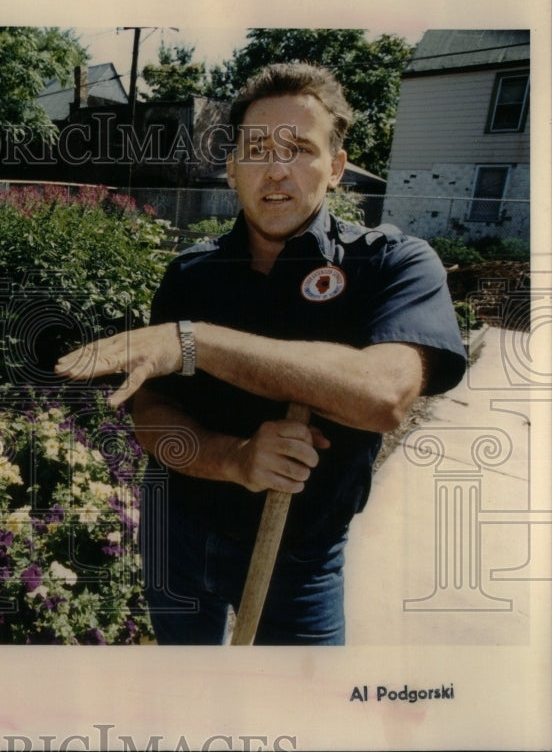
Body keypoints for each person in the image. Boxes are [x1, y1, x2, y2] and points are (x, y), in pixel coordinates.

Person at [56, 63, 467, 645]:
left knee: (297, 714)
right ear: (232, 169)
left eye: (299, 148)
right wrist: (236, 459)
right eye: (256, 149)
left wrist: (192, 342)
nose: (276, 169)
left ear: (337, 168)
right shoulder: (192, 273)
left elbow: (384, 396)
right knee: (188, 703)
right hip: (180, 535)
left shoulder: (392, 265)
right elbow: (150, 413)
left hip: (301, 561)